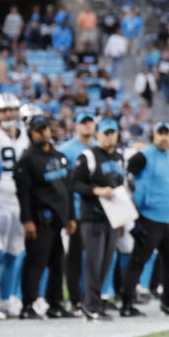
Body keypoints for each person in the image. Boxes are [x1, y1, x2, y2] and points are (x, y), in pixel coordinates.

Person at [15, 116, 76, 319]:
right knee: (36, 263)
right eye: (37, 130)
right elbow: (23, 193)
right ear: (31, 133)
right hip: (40, 219)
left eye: (45, 129)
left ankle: (55, 304)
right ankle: (28, 305)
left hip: (58, 220)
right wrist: (27, 220)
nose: (42, 133)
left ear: (51, 131)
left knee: (58, 263)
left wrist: (70, 217)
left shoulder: (59, 157)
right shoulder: (27, 159)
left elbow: (67, 189)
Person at [121, 122, 169, 317]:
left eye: (167, 134)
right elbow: (125, 176)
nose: (164, 138)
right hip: (149, 217)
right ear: (153, 136)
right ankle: (127, 303)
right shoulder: (144, 155)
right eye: (160, 134)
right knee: (139, 260)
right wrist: (134, 207)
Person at [72, 119, 124, 320]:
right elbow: (75, 183)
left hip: (112, 217)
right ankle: (90, 305)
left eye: (113, 132)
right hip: (92, 216)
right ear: (98, 136)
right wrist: (97, 190)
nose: (110, 136)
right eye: (106, 133)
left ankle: (95, 302)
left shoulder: (120, 158)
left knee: (105, 262)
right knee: (94, 262)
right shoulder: (89, 156)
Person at [58, 111, 97, 315]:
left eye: (90, 122)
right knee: (73, 257)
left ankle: (92, 297)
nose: (88, 125)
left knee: (94, 257)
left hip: (97, 210)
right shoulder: (66, 150)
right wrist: (67, 214)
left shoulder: (99, 148)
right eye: (84, 122)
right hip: (75, 210)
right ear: (76, 126)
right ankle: (74, 299)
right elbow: (63, 184)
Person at [0, 94, 29, 319]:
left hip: (20, 200)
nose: (9, 114)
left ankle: (7, 300)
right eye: (4, 111)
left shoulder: (25, 137)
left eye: (12, 110)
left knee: (13, 252)